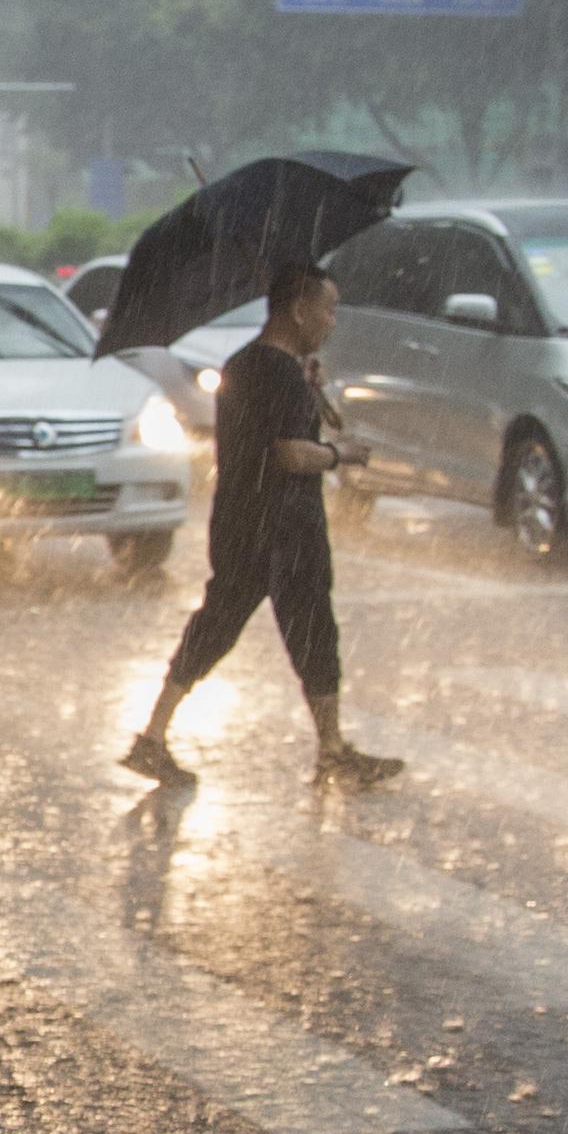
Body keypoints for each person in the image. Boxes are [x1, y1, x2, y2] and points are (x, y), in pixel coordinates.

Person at [121, 263, 404, 790]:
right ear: (298, 310)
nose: (332, 322)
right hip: (285, 526)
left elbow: (272, 431)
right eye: (327, 310)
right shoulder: (275, 373)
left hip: (239, 521)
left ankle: (153, 735)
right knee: (314, 631)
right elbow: (292, 454)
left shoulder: (247, 365)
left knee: (217, 624)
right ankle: (333, 750)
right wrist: (340, 455)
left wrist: (309, 387)